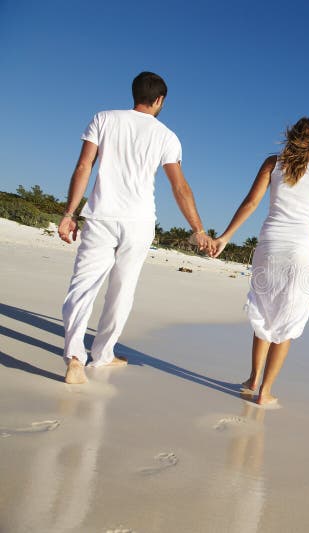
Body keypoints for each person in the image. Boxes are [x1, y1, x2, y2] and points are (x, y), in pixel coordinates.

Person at [58, 71, 213, 385]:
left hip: (101, 217)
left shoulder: (103, 118)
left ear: (135, 93)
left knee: (82, 287)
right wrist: (198, 229)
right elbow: (179, 186)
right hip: (139, 223)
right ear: (159, 100)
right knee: (122, 291)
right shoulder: (166, 136)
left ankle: (75, 357)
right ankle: (102, 355)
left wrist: (69, 213)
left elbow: (84, 166)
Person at [212, 117, 309, 406]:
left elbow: (251, 202)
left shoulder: (272, 163)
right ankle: (264, 391)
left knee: (264, 313)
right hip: (301, 252)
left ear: (291, 137)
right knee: (287, 320)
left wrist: (225, 237)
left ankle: (253, 379)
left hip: (269, 246)